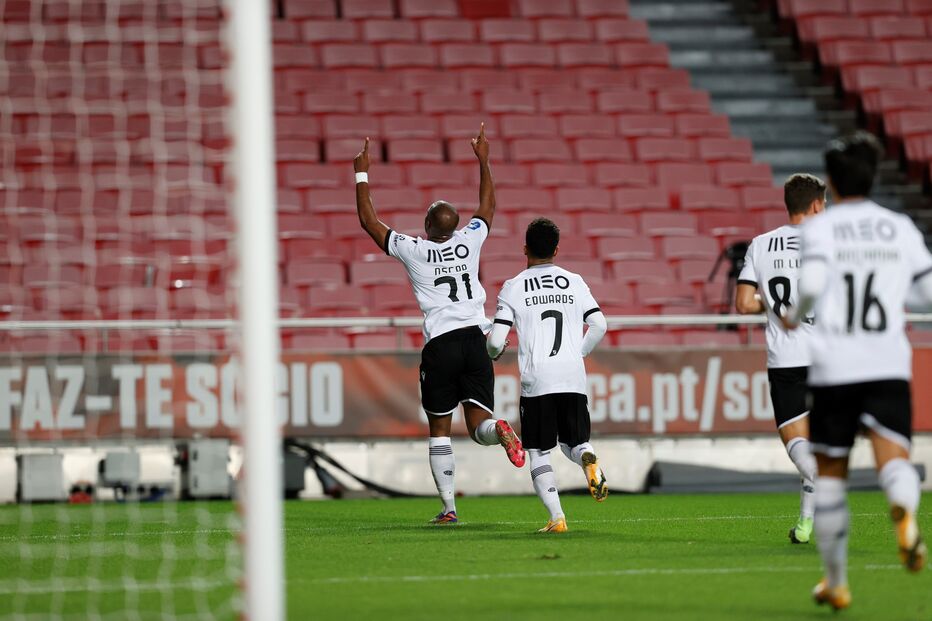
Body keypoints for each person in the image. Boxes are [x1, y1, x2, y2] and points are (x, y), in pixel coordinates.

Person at [783, 131, 932, 610]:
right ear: (874, 177)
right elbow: (927, 293)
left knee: (830, 474)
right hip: (888, 362)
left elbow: (813, 284)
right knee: (894, 458)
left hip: (835, 367)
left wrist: (793, 312)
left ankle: (837, 582)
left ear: (831, 182)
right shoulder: (900, 227)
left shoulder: (819, 230)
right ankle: (905, 513)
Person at [353, 125, 525, 525]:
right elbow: (488, 207)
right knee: (478, 423)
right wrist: (483, 159)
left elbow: (369, 222)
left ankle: (449, 508)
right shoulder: (470, 240)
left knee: (440, 430)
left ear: (429, 228)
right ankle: (498, 427)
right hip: (476, 339)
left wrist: (361, 173)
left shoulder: (414, 250)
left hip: (443, 343)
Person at [486, 218, 609, 534]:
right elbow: (599, 325)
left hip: (537, 380)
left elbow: (496, 341)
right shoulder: (574, 281)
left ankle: (557, 517)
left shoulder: (514, 287)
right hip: (572, 377)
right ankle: (587, 457)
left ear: (525, 248)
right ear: (556, 249)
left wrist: (492, 353)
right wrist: (577, 353)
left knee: (539, 451)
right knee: (574, 442)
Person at [735, 173, 826, 545]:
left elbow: (743, 304)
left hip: (786, 359)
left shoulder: (761, 244)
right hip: (829, 357)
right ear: (817, 205)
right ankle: (810, 519)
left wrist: (771, 304)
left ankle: (809, 517)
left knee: (799, 444)